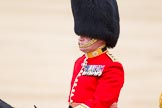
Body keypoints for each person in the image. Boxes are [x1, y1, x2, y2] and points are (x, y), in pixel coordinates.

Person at [68, 0, 124, 108]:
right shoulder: (80, 62)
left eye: (87, 34)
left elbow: (102, 102)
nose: (81, 37)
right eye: (81, 33)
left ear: (100, 37)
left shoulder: (112, 66)